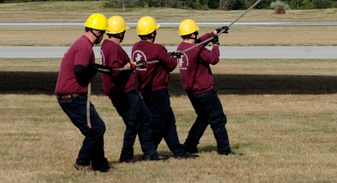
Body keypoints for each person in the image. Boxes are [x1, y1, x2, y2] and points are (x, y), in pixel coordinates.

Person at [100, 15, 169, 162]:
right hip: (123, 93)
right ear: (120, 33)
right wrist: (128, 66)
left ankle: (150, 152)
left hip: (127, 91)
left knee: (146, 117)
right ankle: (126, 156)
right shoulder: (113, 48)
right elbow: (116, 71)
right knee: (133, 124)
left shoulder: (106, 46)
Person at [131, 16, 197, 159]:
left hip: (146, 90)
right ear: (152, 33)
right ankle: (150, 152)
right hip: (158, 91)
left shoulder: (136, 48)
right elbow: (171, 65)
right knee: (160, 122)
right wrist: (173, 57)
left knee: (169, 121)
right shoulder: (157, 48)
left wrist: (167, 56)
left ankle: (178, 152)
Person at [55, 13, 112, 172]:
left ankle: (101, 166)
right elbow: (80, 70)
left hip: (73, 97)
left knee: (96, 128)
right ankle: (82, 162)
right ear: (99, 32)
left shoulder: (81, 43)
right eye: (104, 33)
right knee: (97, 129)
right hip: (73, 98)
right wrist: (92, 71)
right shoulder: (85, 46)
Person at [178, 19, 237, 156]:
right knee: (218, 119)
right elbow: (213, 59)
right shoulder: (197, 49)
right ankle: (224, 150)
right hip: (204, 92)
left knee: (203, 118)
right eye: (196, 32)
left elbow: (200, 41)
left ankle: (190, 145)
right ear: (193, 34)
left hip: (192, 93)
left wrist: (216, 32)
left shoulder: (182, 47)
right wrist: (215, 44)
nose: (197, 34)